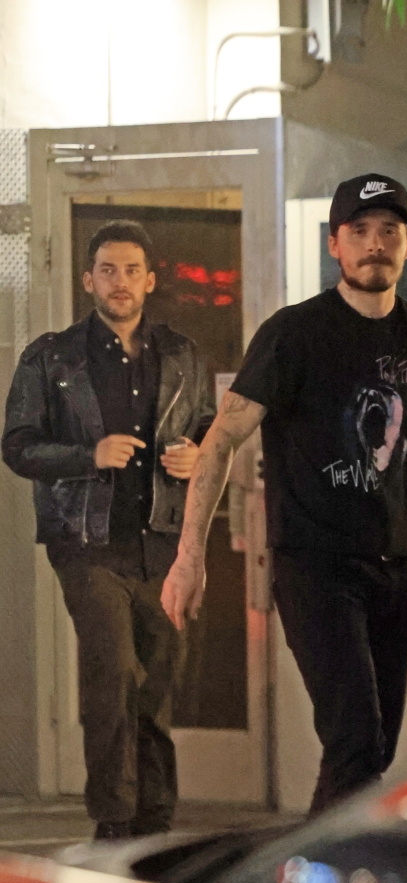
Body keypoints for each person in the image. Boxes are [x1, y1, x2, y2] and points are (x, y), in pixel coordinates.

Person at [161, 173, 407, 814]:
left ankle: (316, 875)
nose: (374, 245)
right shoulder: (293, 334)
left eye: (388, 231)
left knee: (372, 750)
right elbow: (220, 441)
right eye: (359, 232)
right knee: (353, 739)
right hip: (313, 565)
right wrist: (190, 558)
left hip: (393, 564)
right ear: (335, 245)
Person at [2, 220, 215, 839]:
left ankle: (155, 818)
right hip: (86, 544)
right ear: (87, 279)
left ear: (150, 280)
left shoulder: (183, 353)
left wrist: (198, 455)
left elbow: (209, 429)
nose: (118, 283)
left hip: (163, 545)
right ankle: (115, 820)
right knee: (113, 671)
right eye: (106, 270)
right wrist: (86, 456)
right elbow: (17, 447)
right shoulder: (52, 356)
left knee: (158, 680)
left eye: (130, 271)